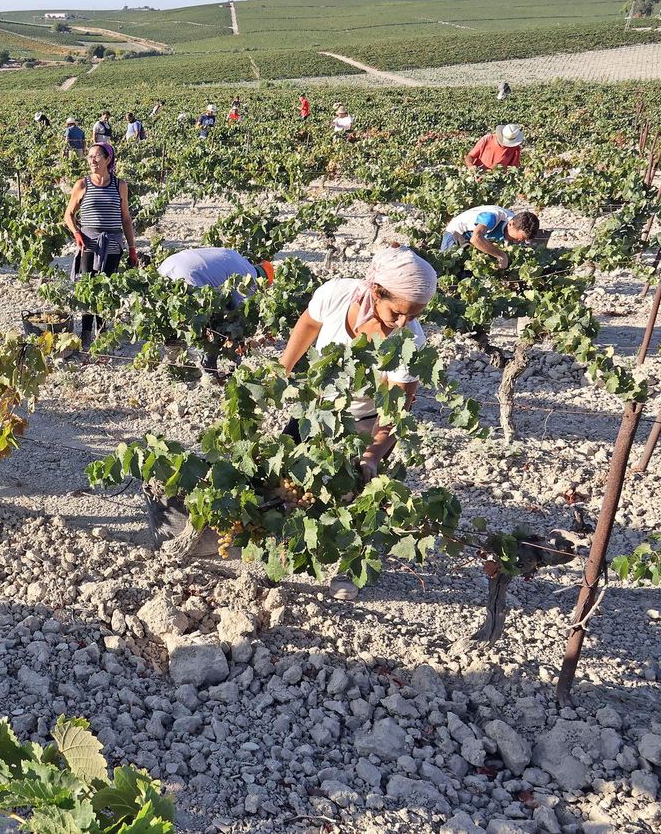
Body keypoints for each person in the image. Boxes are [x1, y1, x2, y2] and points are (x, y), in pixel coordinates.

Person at [277, 246, 438, 599]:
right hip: (315, 411)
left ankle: (350, 566)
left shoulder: (409, 341)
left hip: (364, 422)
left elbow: (397, 411)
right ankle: (292, 545)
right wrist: (282, 370)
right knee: (284, 481)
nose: (402, 323)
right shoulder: (335, 295)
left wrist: (374, 454)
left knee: (357, 500)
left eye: (413, 316)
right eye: (397, 312)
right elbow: (308, 323)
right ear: (376, 291)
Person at [62, 142, 138, 347]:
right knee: (87, 286)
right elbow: (68, 215)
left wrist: (132, 248)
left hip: (112, 244)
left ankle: (102, 332)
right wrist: (76, 232)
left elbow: (125, 218)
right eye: (89, 156)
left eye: (96, 156)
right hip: (88, 243)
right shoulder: (82, 184)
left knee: (107, 286)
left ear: (108, 159)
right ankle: (86, 332)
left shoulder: (119, 185)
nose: (92, 160)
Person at [439, 205, 540, 270]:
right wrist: (501, 255)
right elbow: (476, 239)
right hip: (457, 233)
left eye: (521, 240)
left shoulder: (517, 223)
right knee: (446, 266)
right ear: (511, 224)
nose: (517, 242)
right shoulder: (491, 217)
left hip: (476, 238)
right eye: (517, 239)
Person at [158, 247, 275, 298]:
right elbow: (234, 308)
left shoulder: (236, 255)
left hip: (170, 262)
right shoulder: (249, 279)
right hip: (189, 275)